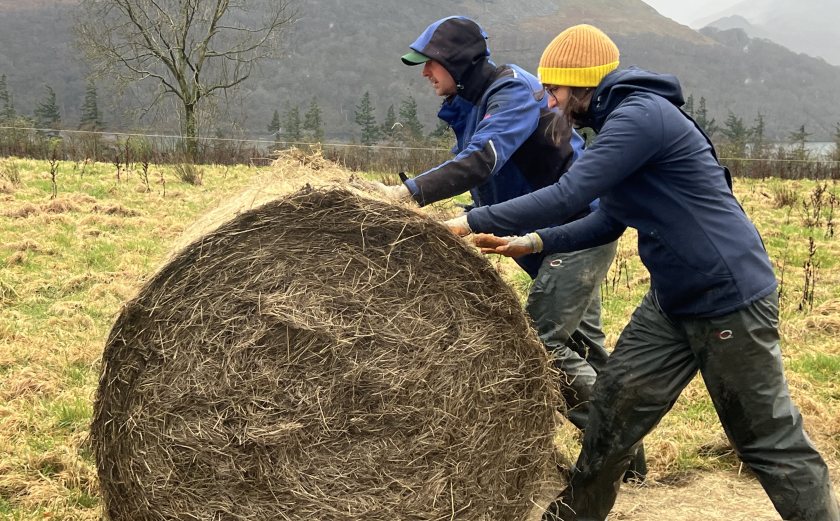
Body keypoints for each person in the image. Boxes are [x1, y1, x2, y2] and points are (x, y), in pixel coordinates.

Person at [445, 23, 840, 520]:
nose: (548, 102)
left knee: (766, 440)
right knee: (610, 420)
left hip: (728, 299)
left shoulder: (641, 118)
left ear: (582, 84)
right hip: (671, 302)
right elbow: (609, 218)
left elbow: (568, 195)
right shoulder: (618, 126)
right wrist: (533, 241)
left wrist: (464, 221)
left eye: (554, 89)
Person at [378, 15, 645, 479]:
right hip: (552, 235)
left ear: (457, 62)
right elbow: (491, 172)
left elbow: (484, 159)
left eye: (431, 64)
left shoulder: (512, 92)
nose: (425, 73)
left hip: (573, 233)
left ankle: (612, 454)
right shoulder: (475, 100)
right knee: (583, 349)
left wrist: (404, 195)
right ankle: (629, 463)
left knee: (544, 350)